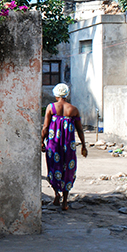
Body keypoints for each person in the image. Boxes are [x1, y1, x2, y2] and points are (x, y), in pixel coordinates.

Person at [41, 83, 87, 211]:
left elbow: (45, 127)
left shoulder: (51, 108)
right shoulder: (73, 109)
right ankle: (65, 201)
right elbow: (80, 130)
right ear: (67, 94)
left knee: (53, 167)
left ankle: (56, 195)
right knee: (68, 170)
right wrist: (84, 145)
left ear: (56, 94)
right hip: (69, 146)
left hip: (53, 144)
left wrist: (41, 141)